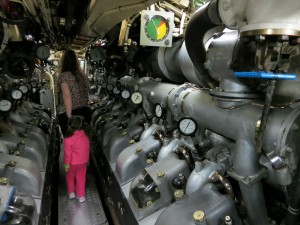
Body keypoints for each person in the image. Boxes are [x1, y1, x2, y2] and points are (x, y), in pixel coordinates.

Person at [57, 49, 91, 135]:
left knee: (71, 142)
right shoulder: (83, 74)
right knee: (83, 140)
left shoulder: (64, 76)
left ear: (63, 61)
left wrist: (69, 116)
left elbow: (66, 96)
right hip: (85, 111)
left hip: (72, 113)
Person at [64, 116, 90, 203]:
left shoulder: (68, 139)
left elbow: (68, 154)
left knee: (70, 177)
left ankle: (71, 193)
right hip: (83, 162)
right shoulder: (85, 137)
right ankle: (81, 196)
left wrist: (66, 165)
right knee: (81, 178)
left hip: (72, 163)